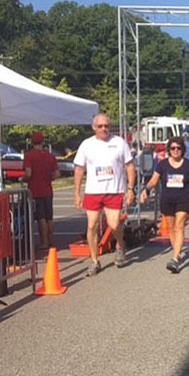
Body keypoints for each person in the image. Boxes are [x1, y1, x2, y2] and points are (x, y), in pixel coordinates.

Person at [73, 113, 136, 276]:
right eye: (100, 126)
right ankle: (94, 261)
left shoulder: (119, 143)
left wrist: (130, 189)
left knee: (114, 224)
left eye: (106, 126)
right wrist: (77, 193)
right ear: (94, 127)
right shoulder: (86, 145)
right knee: (91, 225)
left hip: (114, 190)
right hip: (93, 191)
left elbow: (130, 166)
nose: (103, 129)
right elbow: (79, 169)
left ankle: (120, 245)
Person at [140, 136, 189, 273]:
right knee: (171, 229)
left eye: (178, 148)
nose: (176, 151)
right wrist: (146, 190)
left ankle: (175, 258)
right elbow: (154, 181)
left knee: (179, 226)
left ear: (183, 149)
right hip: (167, 200)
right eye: (173, 148)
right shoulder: (163, 165)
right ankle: (176, 252)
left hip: (184, 198)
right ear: (169, 150)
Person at [22, 131, 60, 252]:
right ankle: (50, 240)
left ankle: (44, 242)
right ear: (43, 142)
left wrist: (22, 179)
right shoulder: (50, 156)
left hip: (35, 190)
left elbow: (28, 173)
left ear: (32, 142)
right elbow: (57, 173)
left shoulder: (29, 156)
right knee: (49, 217)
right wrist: (49, 178)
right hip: (48, 190)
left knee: (40, 217)